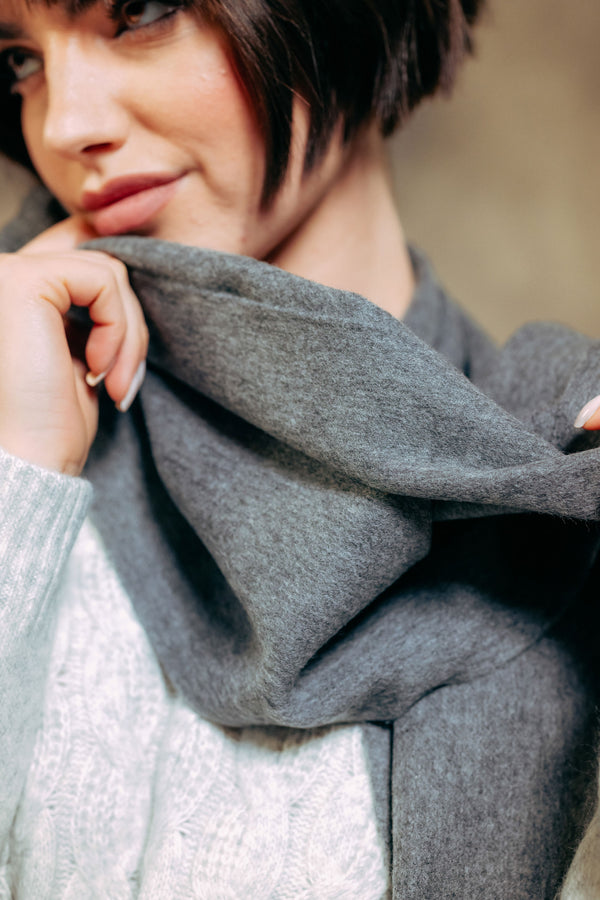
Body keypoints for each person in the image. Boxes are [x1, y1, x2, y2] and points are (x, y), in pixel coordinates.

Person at [1, 0, 600, 896]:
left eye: (140, 11)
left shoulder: (555, 506)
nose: (63, 124)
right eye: (19, 60)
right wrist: (17, 478)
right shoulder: (20, 422)